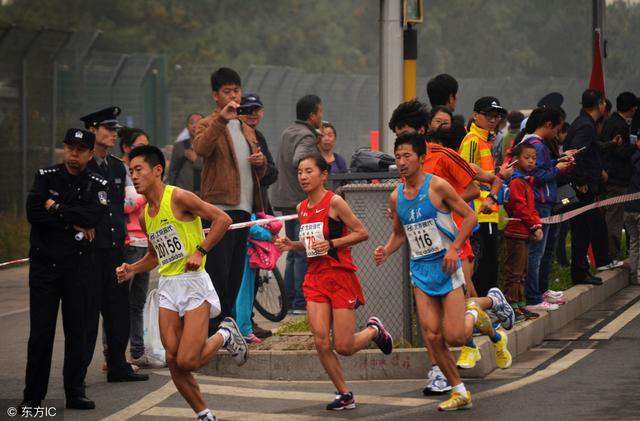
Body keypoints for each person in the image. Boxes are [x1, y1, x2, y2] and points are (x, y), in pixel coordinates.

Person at [374, 133, 512, 411]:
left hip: (447, 266)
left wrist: (454, 249)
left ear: (422, 158)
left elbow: (470, 217)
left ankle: (479, 313)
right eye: (398, 157)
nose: (401, 162)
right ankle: (459, 390)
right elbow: (400, 234)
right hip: (421, 271)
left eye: (407, 156)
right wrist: (386, 250)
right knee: (432, 335)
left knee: (456, 337)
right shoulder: (395, 196)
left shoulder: (438, 187)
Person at [116, 145, 246, 421]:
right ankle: (204, 413)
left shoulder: (179, 197)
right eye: (131, 172)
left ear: (157, 170)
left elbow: (223, 219)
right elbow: (154, 256)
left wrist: (201, 250)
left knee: (188, 360)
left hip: (193, 284)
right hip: (168, 287)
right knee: (174, 361)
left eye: (139, 170)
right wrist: (132, 269)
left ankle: (225, 333)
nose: (134, 177)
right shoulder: (144, 215)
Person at [275, 154, 393, 411]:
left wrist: (332, 244)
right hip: (315, 277)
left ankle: (374, 331)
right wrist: (291, 245)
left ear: (323, 175)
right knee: (320, 341)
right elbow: (310, 246)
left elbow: (362, 232)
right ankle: (344, 393)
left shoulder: (335, 202)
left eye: (308, 171)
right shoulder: (301, 208)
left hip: (340, 276)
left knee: (344, 346)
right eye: (299, 172)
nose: (303, 176)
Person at [22, 129, 106, 410]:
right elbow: (34, 214)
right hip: (46, 267)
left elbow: (94, 216)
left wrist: (56, 208)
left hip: (78, 268)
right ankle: (33, 396)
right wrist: (74, 222)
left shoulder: (97, 183)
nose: (74, 153)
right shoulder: (46, 176)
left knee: (77, 333)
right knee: (40, 335)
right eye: (70, 147)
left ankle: (75, 391)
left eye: (80, 149)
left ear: (90, 154)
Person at [192, 67, 267, 331]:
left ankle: (226, 327)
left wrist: (260, 161)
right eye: (227, 91)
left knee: (236, 274)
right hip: (218, 209)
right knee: (217, 273)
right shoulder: (207, 123)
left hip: (245, 209)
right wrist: (220, 121)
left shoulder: (246, 127)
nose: (233, 95)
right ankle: (210, 329)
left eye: (236, 90)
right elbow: (201, 149)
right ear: (216, 95)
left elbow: (261, 170)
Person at [82, 107, 149, 382]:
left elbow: (124, 202)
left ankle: (117, 364)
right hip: (89, 250)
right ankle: (77, 374)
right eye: (107, 129)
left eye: (115, 129)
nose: (112, 134)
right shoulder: (82, 165)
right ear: (92, 131)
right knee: (86, 312)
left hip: (115, 246)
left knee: (118, 308)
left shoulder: (116, 166)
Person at [114, 128, 163, 368]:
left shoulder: (141, 173)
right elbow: (124, 203)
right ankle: (114, 356)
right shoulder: (119, 170)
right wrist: (145, 194)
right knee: (119, 303)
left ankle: (137, 351)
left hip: (145, 243)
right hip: (128, 244)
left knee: (137, 302)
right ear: (126, 148)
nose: (135, 174)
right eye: (139, 144)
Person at [515, 107, 572, 312]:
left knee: (542, 251)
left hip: (542, 202)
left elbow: (539, 169)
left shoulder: (534, 144)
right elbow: (536, 175)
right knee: (536, 253)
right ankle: (534, 296)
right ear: (548, 125)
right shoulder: (536, 145)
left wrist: (558, 161)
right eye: (557, 128)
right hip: (539, 203)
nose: (557, 133)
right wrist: (557, 169)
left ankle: (540, 291)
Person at [272, 94, 324, 314]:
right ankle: (301, 302)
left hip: (283, 197)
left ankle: (291, 299)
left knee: (293, 251)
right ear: (312, 115)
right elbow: (299, 160)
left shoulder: (288, 131)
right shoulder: (306, 136)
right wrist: (313, 152)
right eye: (320, 112)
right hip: (297, 200)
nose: (322, 116)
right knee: (303, 250)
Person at [237, 92, 278, 339]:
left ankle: (248, 323)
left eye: (257, 110)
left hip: (258, 211)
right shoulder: (231, 135)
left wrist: (261, 164)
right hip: (235, 213)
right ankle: (235, 325)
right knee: (237, 276)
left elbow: (273, 174)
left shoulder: (259, 138)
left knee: (251, 272)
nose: (252, 115)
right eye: (246, 110)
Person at [565, 89, 616, 285]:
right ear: (601, 104)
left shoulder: (584, 123)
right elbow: (576, 154)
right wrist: (581, 181)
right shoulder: (586, 126)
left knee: (584, 229)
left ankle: (582, 271)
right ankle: (580, 272)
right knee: (582, 231)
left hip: (587, 184)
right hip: (582, 189)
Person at [458, 97, 507, 297]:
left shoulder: (485, 140)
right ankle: (481, 308)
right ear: (475, 116)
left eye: (497, 116)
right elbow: (465, 177)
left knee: (489, 264)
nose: (493, 119)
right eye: (488, 115)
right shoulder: (472, 140)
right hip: (479, 212)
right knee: (483, 266)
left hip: (489, 211)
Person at [502, 141, 544, 322]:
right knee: (515, 272)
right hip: (516, 232)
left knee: (523, 271)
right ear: (516, 160)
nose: (531, 161)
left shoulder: (525, 181)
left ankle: (519, 305)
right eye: (526, 158)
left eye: (534, 158)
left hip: (524, 232)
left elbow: (531, 208)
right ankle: (510, 306)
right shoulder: (516, 182)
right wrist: (535, 225)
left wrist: (536, 224)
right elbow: (520, 208)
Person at [600, 92, 638, 261]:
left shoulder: (610, 121)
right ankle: (612, 257)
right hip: (616, 179)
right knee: (614, 219)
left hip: (613, 177)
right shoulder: (620, 126)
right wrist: (635, 147)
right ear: (632, 108)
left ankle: (612, 255)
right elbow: (619, 152)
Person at [168, 113, 204, 193]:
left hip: (204, 194)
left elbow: (214, 172)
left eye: (199, 122)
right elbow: (172, 172)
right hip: (183, 193)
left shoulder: (210, 146)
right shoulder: (179, 146)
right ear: (187, 127)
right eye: (192, 123)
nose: (195, 126)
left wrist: (196, 160)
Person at [624, 136, 640, 285]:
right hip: (638, 208)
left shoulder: (629, 159)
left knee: (634, 242)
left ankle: (634, 276)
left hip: (627, 207)